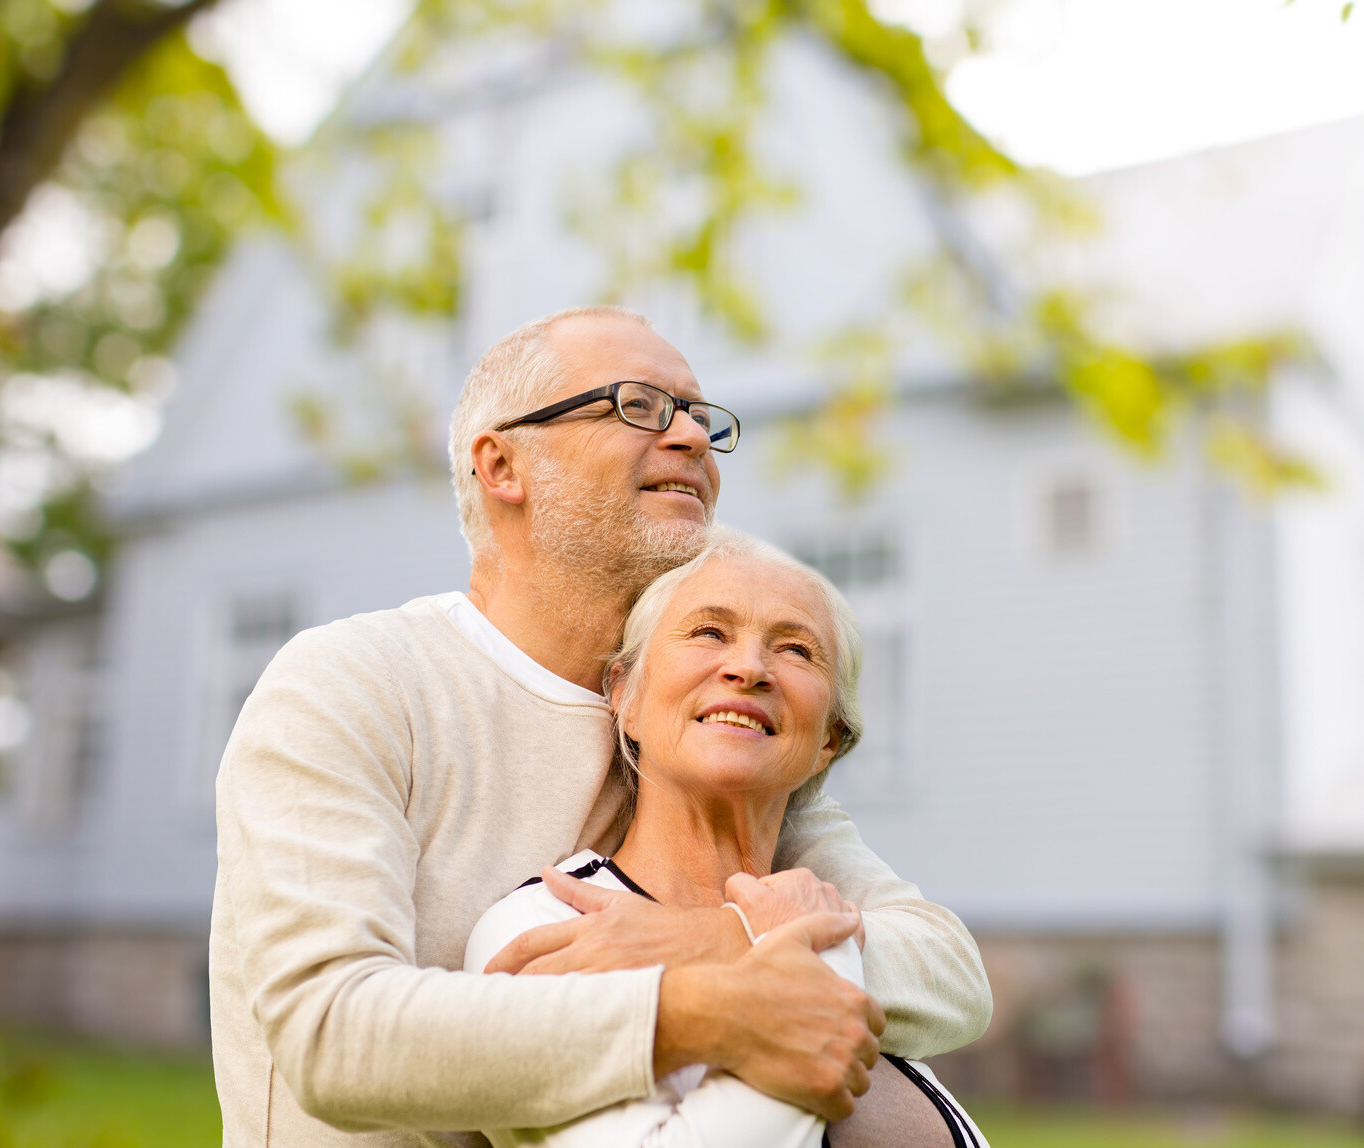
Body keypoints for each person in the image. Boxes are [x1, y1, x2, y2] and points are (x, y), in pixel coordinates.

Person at [209, 307, 991, 1147]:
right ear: (502, 463)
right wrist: (701, 1009)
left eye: (698, 414)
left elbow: (945, 971)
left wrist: (714, 939)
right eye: (638, 405)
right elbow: (332, 1035)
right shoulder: (356, 683)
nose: (691, 436)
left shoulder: (701, 731)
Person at [462, 528, 987, 1147]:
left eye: (795, 649)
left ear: (829, 742)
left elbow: (958, 985)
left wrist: (749, 936)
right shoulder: (547, 923)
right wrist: (808, 948)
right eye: (709, 632)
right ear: (625, 697)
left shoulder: (826, 907)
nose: (749, 669)